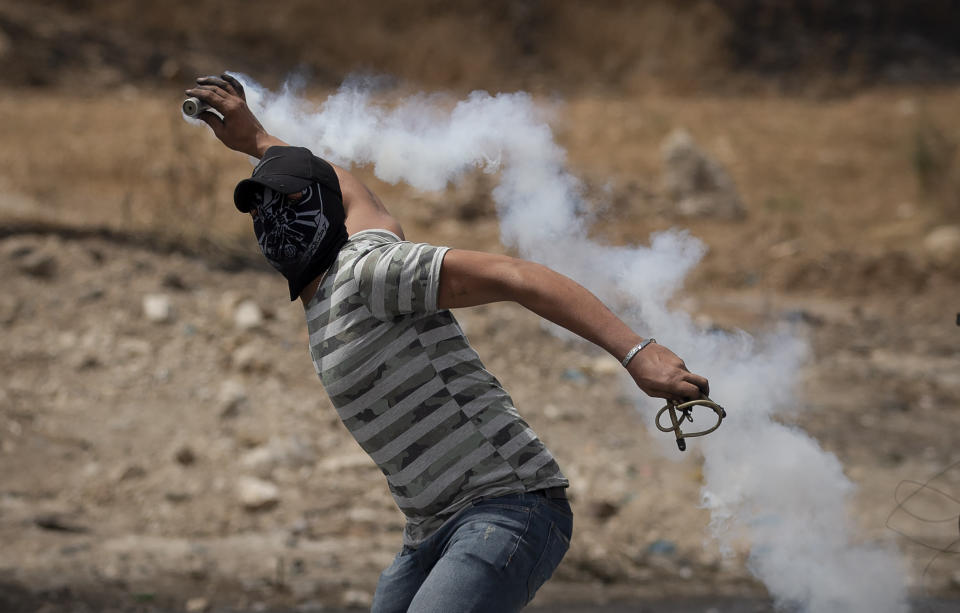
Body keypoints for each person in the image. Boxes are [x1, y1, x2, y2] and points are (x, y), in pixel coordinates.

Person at [185, 74, 710, 613]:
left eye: (287, 198)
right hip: (428, 530)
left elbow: (516, 276)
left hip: (508, 508)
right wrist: (256, 141)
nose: (271, 214)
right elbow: (357, 198)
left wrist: (636, 352)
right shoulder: (333, 289)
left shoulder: (373, 271)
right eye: (261, 205)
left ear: (322, 206)